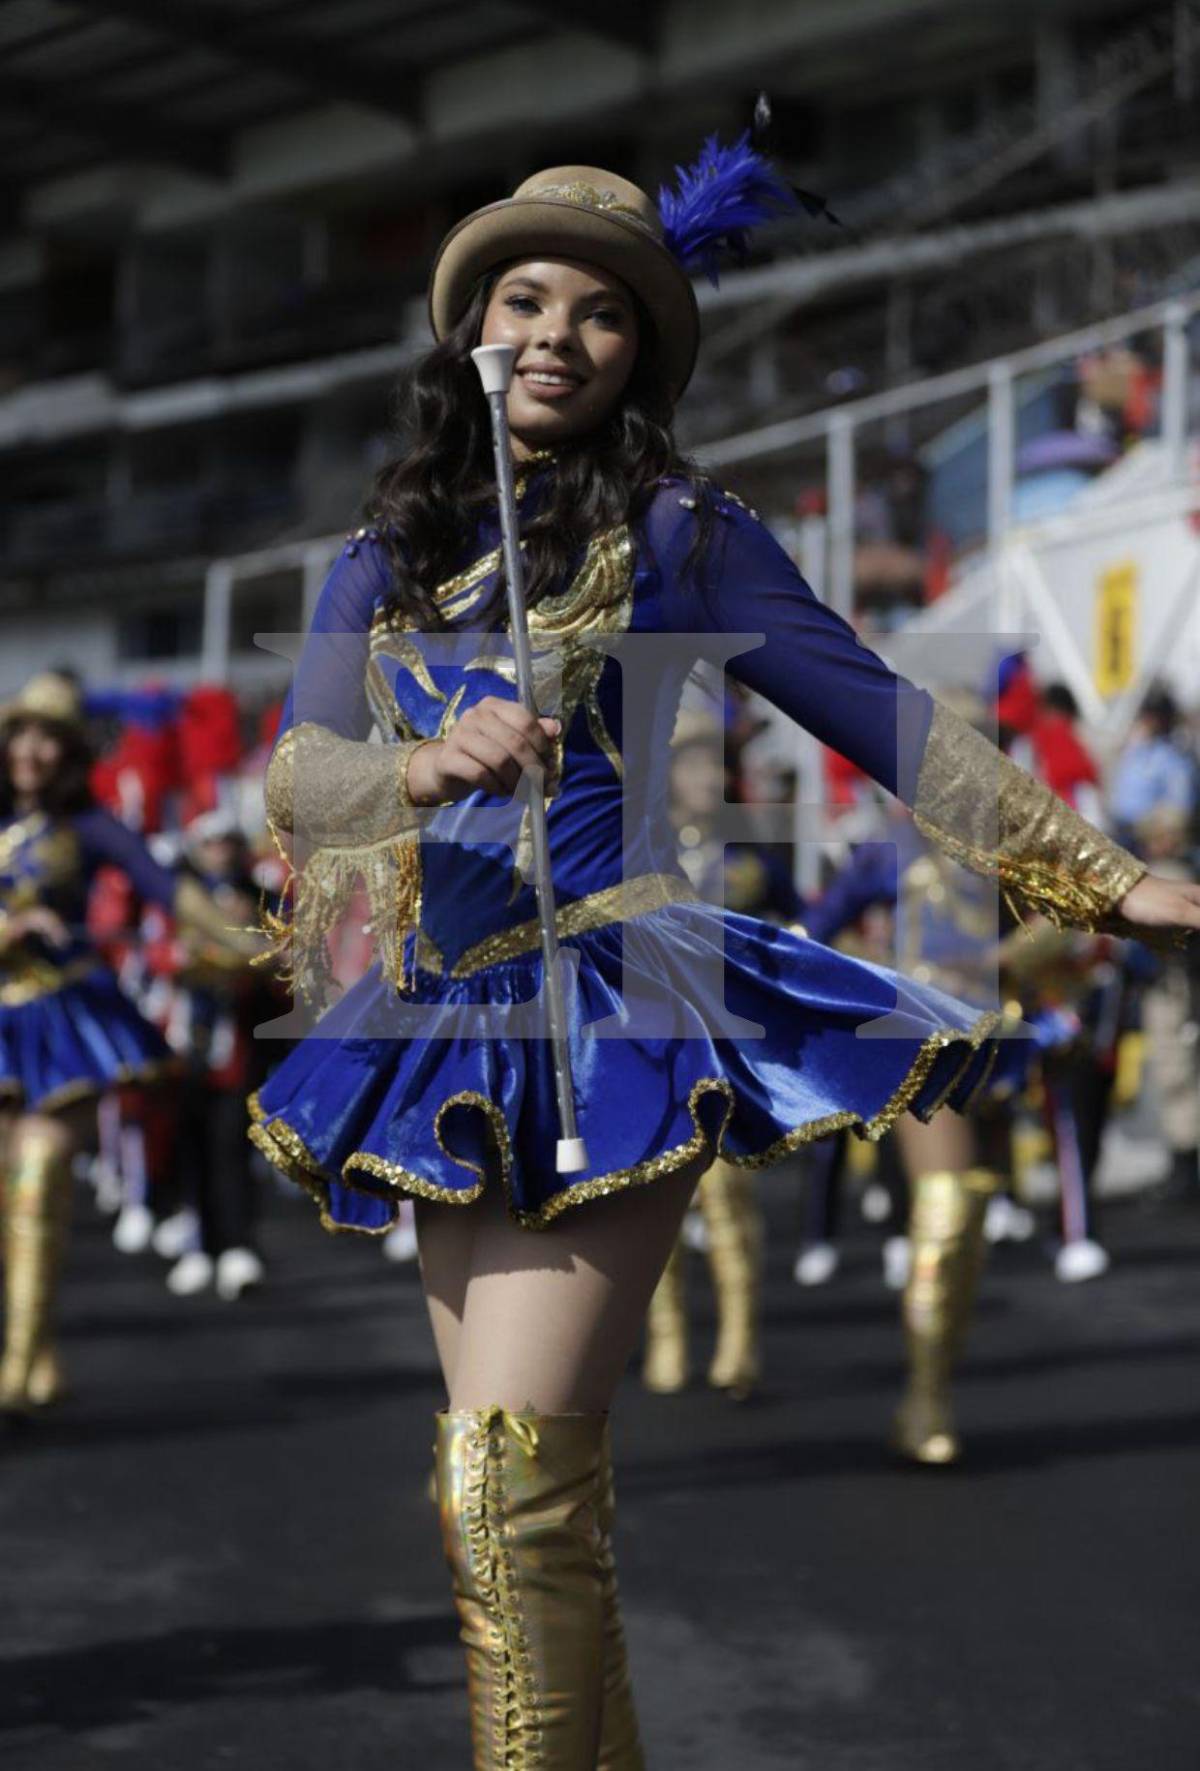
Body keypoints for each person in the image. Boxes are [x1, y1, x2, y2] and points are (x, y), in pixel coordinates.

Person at [246, 150, 1200, 1767]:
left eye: (605, 313)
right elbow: (295, 778)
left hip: (618, 1000)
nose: (559, 334)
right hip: (448, 1027)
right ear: (473, 323)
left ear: (641, 355)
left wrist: (1110, 878)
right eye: (529, 298)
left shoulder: (681, 531)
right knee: (504, 1490)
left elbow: (881, 710)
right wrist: (420, 767)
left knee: (508, 1481)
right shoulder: (384, 557)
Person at [0, 672, 256, 1420]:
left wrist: (253, 945)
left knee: (41, 1175)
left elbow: (167, 890)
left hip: (64, 1021)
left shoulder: (92, 827)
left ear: (72, 752)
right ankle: (32, 1352)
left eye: (51, 738)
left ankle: (17, 1366)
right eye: (23, 734)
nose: (34, 751)